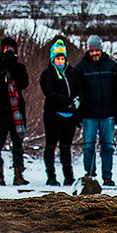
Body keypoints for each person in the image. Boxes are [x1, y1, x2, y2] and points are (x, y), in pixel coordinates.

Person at [71, 35, 117, 185]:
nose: (94, 54)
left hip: (108, 115)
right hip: (89, 115)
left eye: (97, 50)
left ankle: (107, 176)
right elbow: (76, 91)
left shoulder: (111, 66)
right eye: (92, 51)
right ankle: (90, 175)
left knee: (107, 147)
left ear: (101, 49)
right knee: (88, 146)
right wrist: (78, 113)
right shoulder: (81, 67)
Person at [0, 36, 30, 186]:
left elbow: (24, 83)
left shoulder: (20, 67)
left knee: (18, 143)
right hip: (0, 111)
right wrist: (4, 65)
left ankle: (18, 173)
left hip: (16, 110)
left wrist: (13, 66)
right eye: (7, 49)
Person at [39, 39, 79, 185]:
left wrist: (76, 102)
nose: (60, 61)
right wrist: (66, 101)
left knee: (66, 146)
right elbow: (50, 93)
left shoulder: (72, 72)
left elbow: (78, 89)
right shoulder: (47, 74)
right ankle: (51, 175)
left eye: (62, 58)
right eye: (58, 58)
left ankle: (68, 175)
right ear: (53, 59)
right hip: (54, 114)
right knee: (51, 145)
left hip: (70, 115)